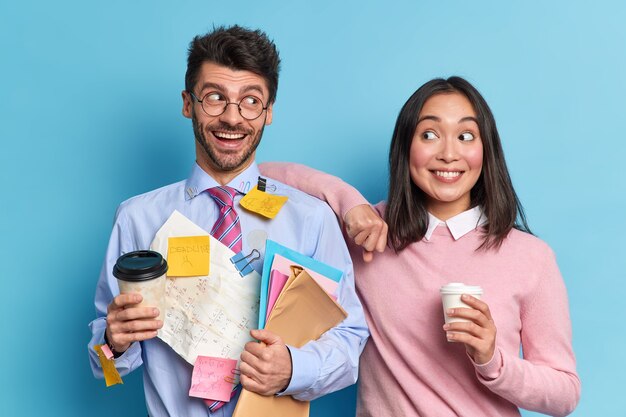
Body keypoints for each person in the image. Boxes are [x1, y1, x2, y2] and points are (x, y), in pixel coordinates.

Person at [87, 25, 368, 416]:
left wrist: (292, 369)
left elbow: (350, 341)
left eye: (251, 101)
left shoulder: (311, 220)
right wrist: (112, 344)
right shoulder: (137, 219)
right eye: (215, 97)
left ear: (268, 112)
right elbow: (103, 368)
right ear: (188, 103)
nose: (232, 118)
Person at [261, 76, 581, 416]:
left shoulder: (530, 257)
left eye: (465, 136)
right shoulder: (372, 237)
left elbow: (565, 393)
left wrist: (492, 360)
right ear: (405, 147)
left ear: (486, 149)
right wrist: (349, 203)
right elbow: (264, 177)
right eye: (429, 135)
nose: (447, 153)